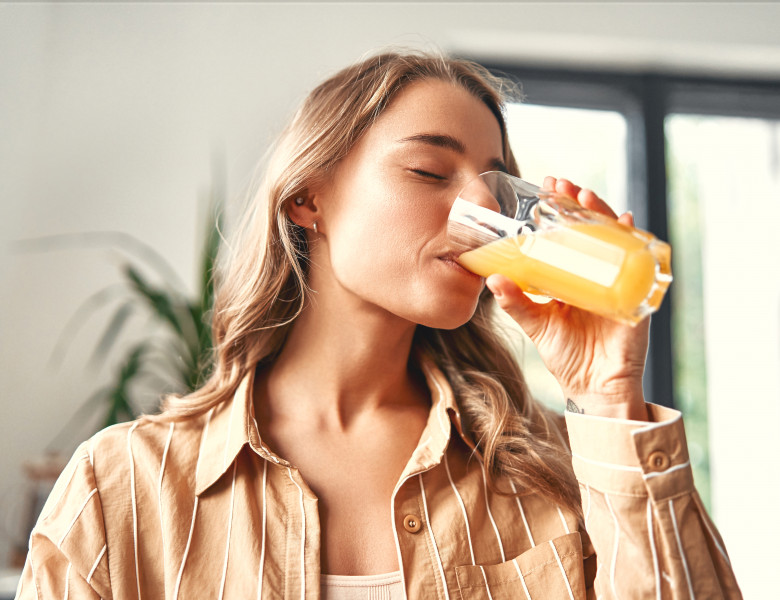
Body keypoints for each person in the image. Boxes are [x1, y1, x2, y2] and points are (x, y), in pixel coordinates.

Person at [16, 50, 741, 599]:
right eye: (430, 172)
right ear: (308, 199)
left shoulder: (557, 471)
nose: (473, 213)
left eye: (494, 183)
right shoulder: (122, 490)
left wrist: (611, 394)